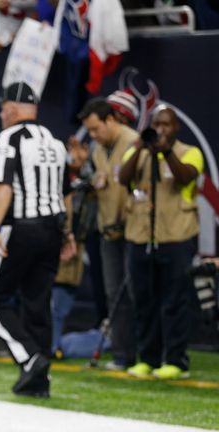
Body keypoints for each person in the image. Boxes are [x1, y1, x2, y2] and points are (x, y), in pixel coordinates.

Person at [0, 82, 76, 398]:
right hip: (52, 228)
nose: (2, 113)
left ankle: (29, 356)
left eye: (4, 107)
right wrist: (68, 233)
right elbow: (67, 195)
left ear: (14, 107)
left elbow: (3, 187)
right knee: (37, 302)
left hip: (22, 227)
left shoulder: (9, 138)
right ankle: (38, 381)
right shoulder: (56, 142)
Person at [118, 106, 203, 380]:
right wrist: (143, 147)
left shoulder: (190, 152)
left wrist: (166, 151)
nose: (162, 130)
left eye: (167, 125)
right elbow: (122, 177)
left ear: (176, 127)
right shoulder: (137, 151)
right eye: (157, 124)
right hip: (140, 236)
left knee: (174, 300)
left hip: (176, 236)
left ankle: (176, 360)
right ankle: (148, 358)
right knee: (143, 299)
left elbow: (185, 177)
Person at [76, 98, 139, 370]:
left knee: (140, 294)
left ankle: (150, 355)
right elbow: (96, 182)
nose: (92, 136)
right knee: (115, 295)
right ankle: (124, 356)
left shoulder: (135, 143)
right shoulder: (97, 149)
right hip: (108, 232)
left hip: (135, 231)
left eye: (95, 129)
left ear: (111, 120)